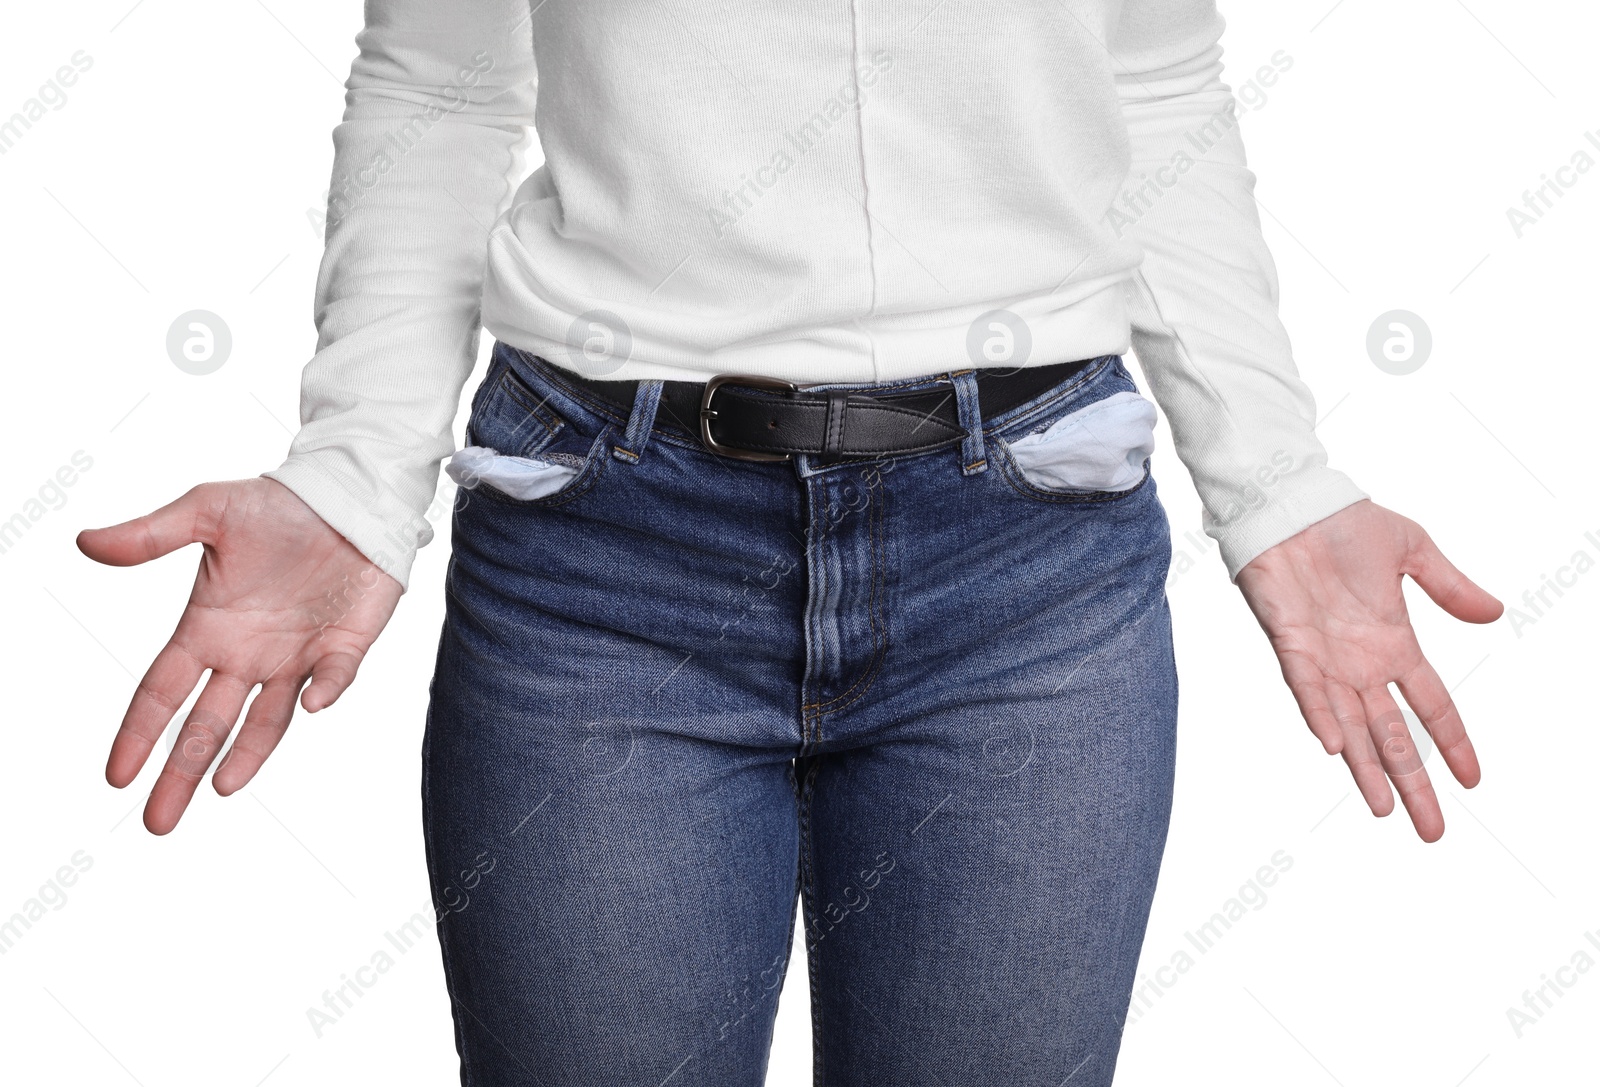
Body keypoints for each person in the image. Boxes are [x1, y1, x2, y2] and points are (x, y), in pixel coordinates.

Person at [76, 1, 1503, 1083]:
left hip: (1025, 566)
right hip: (607, 559)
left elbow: (1148, 74)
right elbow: (442, 77)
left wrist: (1274, 477)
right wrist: (353, 467)